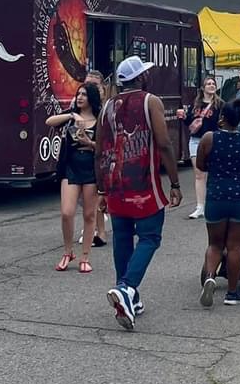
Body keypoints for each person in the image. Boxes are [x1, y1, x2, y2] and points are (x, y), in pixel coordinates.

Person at [96, 55, 183, 330]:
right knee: (149, 237)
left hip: (114, 185)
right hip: (144, 185)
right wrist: (175, 183)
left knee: (122, 239)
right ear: (141, 77)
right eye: (146, 73)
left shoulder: (107, 106)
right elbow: (164, 142)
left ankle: (130, 298)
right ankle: (127, 287)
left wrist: (100, 188)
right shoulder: (150, 101)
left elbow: (99, 151)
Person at [197, 99, 240, 308]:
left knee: (214, 244)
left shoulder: (209, 138)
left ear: (222, 118)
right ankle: (232, 293)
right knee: (235, 246)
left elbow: (201, 165)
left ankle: (210, 277)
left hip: (216, 196)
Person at [48, 82, 103, 271]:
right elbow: (50, 122)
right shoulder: (71, 117)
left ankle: (85, 257)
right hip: (70, 167)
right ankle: (68, 252)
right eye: (78, 94)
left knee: (89, 214)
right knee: (67, 212)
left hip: (91, 168)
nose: (80, 97)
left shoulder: (100, 119)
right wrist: (71, 115)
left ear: (92, 98)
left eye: (84, 95)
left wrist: (89, 142)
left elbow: (107, 147)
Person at [177, 77, 222, 219]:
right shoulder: (196, 104)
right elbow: (190, 121)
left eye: (213, 84)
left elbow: (224, 123)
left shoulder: (220, 105)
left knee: (215, 174)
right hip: (196, 141)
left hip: (214, 141)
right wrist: (183, 117)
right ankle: (200, 207)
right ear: (203, 88)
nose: (211, 86)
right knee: (199, 175)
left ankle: (215, 204)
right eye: (208, 84)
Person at [87, 68, 111, 248]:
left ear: (102, 87)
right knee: (92, 199)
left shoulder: (108, 108)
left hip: (105, 159)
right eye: (87, 84)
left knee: (101, 198)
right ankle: (97, 231)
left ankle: (100, 231)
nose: (89, 88)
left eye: (94, 85)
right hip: (86, 159)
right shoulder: (81, 105)